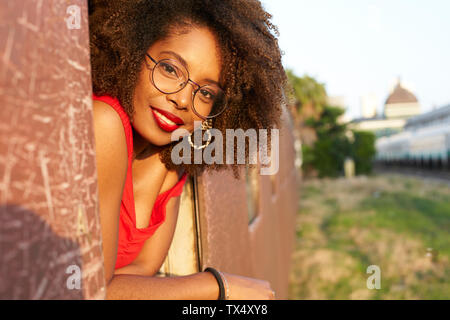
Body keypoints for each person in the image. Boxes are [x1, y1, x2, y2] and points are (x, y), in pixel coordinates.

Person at [89, 0, 287, 299]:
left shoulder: (171, 164)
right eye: (170, 69)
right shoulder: (103, 121)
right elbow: (90, 291)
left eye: (205, 92)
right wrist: (216, 286)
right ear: (129, 50)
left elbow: (139, 275)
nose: (182, 100)